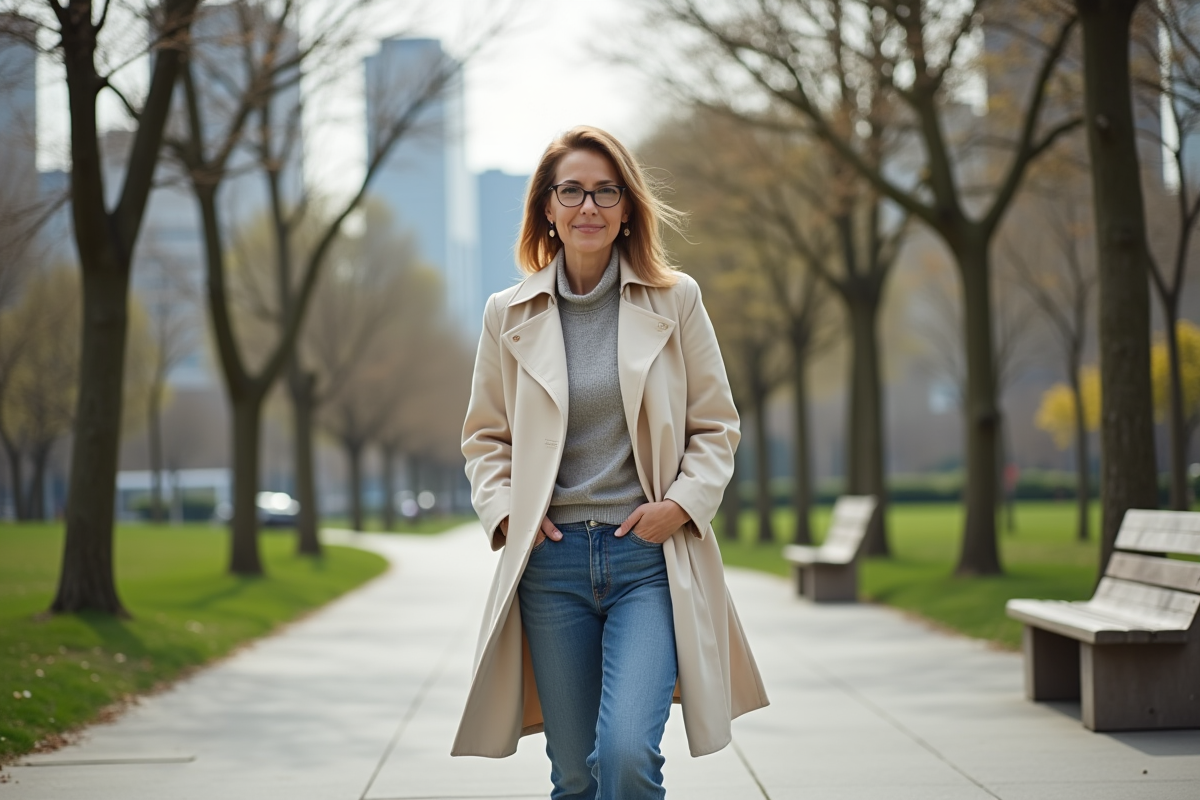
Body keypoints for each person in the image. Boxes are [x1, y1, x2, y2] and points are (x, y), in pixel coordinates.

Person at [452, 125, 768, 799]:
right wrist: (507, 515)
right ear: (547, 207)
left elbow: (716, 425)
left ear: (628, 208)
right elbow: (485, 437)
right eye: (571, 191)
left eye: (606, 191)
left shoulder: (676, 299)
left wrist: (679, 507)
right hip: (552, 565)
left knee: (625, 752)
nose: (588, 206)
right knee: (575, 774)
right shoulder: (506, 314)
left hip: (645, 560)